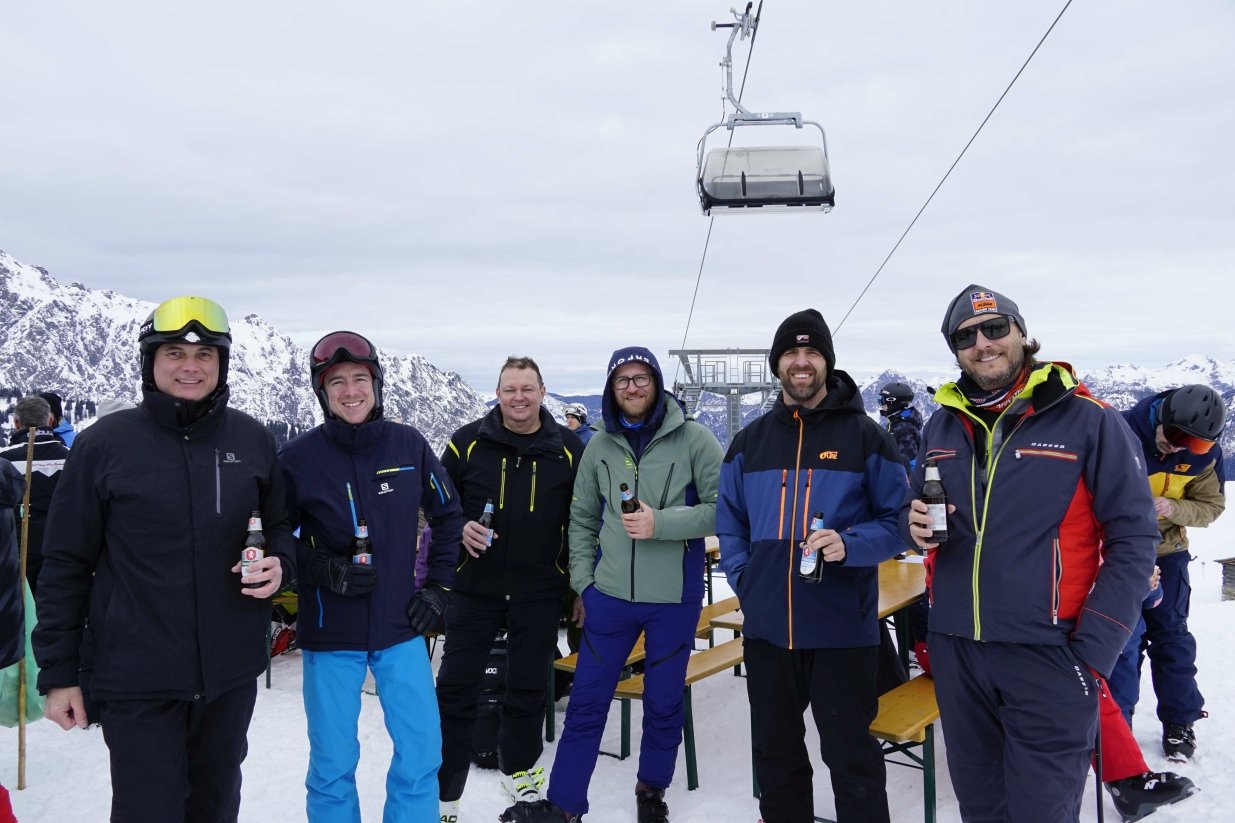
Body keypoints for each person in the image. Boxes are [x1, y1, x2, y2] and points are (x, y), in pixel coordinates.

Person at [32, 295, 294, 823]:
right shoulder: (105, 445)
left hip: (228, 674)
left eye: (204, 355)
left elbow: (282, 527)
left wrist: (282, 563)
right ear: (150, 361)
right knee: (147, 811)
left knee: (215, 807)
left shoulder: (252, 439)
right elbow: (63, 563)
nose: (190, 367)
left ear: (221, 364)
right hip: (136, 675)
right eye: (174, 353)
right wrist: (59, 672)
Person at [903, 284, 1158, 822]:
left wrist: (1095, 648)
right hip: (958, 648)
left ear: (1021, 333)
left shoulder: (1088, 419)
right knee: (981, 808)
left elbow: (1135, 537)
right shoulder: (941, 423)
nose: (983, 343)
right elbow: (916, 507)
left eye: (995, 328)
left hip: (1051, 652)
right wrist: (913, 523)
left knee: (1043, 811)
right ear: (955, 350)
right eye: (966, 336)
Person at [503, 346, 724, 823]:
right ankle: (564, 805)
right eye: (622, 380)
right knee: (586, 703)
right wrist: (585, 583)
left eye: (641, 377)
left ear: (656, 383)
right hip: (609, 599)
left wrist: (660, 523)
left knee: (663, 702)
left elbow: (722, 509)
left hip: (673, 599)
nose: (632, 387)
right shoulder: (600, 447)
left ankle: (652, 789)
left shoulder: (695, 439)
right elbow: (582, 518)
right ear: (611, 388)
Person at [710, 309, 907, 823]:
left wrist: (851, 544)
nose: (802, 362)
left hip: (842, 629)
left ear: (827, 363)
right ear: (777, 364)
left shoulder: (866, 437)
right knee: (775, 757)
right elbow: (730, 522)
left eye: (812, 352)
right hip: (769, 629)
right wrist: (746, 580)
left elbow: (900, 521)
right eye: (791, 353)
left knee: (852, 759)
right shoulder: (749, 443)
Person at [279, 330, 465, 822]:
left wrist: (439, 588)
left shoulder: (407, 445)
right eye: (336, 382)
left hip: (400, 626)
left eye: (359, 379)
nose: (350, 391)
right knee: (332, 765)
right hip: (330, 633)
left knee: (422, 753)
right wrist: (326, 570)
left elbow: (448, 516)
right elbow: (275, 540)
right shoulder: (298, 459)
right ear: (322, 392)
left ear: (376, 384)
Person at [436, 356, 583, 822]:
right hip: (474, 590)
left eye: (527, 388)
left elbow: (584, 522)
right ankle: (445, 791)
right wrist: (459, 527)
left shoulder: (568, 449)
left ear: (542, 392)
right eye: (509, 389)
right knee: (456, 689)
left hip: (539, 591)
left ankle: (520, 774)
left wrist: (580, 587)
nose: (518, 397)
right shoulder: (466, 443)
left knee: (528, 688)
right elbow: (437, 506)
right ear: (497, 394)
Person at [1110, 384, 1226, 761]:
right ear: (1161, 416)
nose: (1179, 448)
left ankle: (1180, 721)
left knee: (1172, 638)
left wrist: (1174, 508)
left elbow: (1211, 507)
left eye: (1195, 444)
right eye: (1176, 437)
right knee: (1121, 642)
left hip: (1168, 553)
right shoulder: (1118, 432)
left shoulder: (1203, 457)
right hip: (1118, 553)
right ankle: (1117, 726)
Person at [1, 395, 69, 595]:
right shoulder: (74, 456)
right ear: (50, 420)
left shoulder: (4, 460)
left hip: (16, 554)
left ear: (16, 423)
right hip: (64, 551)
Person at [876, 382, 922, 470]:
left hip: (901, 476)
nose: (880, 404)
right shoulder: (896, 421)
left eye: (881, 400)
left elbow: (909, 464)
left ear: (892, 401)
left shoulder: (904, 429)